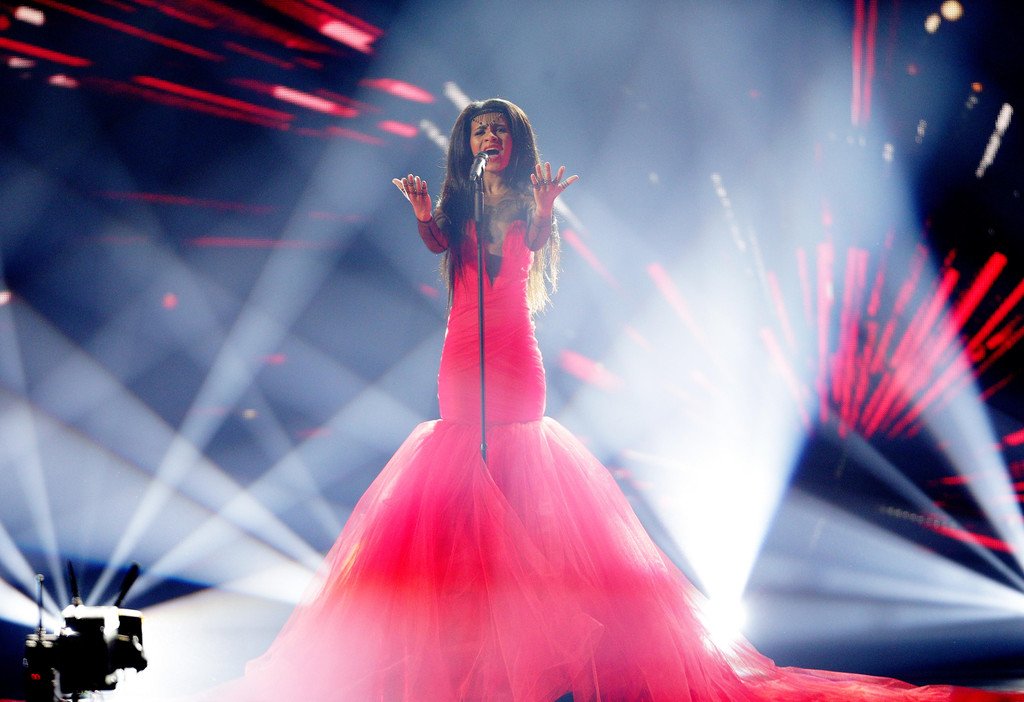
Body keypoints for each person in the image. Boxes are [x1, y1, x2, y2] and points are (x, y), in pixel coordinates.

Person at [205, 98, 1023, 701]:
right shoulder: (459, 205)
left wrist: (540, 208)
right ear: (469, 142)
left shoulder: (522, 205)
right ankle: (463, 647)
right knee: (455, 483)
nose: (488, 140)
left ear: (515, 143)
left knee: (522, 481)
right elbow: (440, 246)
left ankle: (534, 650)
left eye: (499, 132)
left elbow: (526, 250)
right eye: (480, 132)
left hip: (512, 357)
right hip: (461, 358)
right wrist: (426, 213)